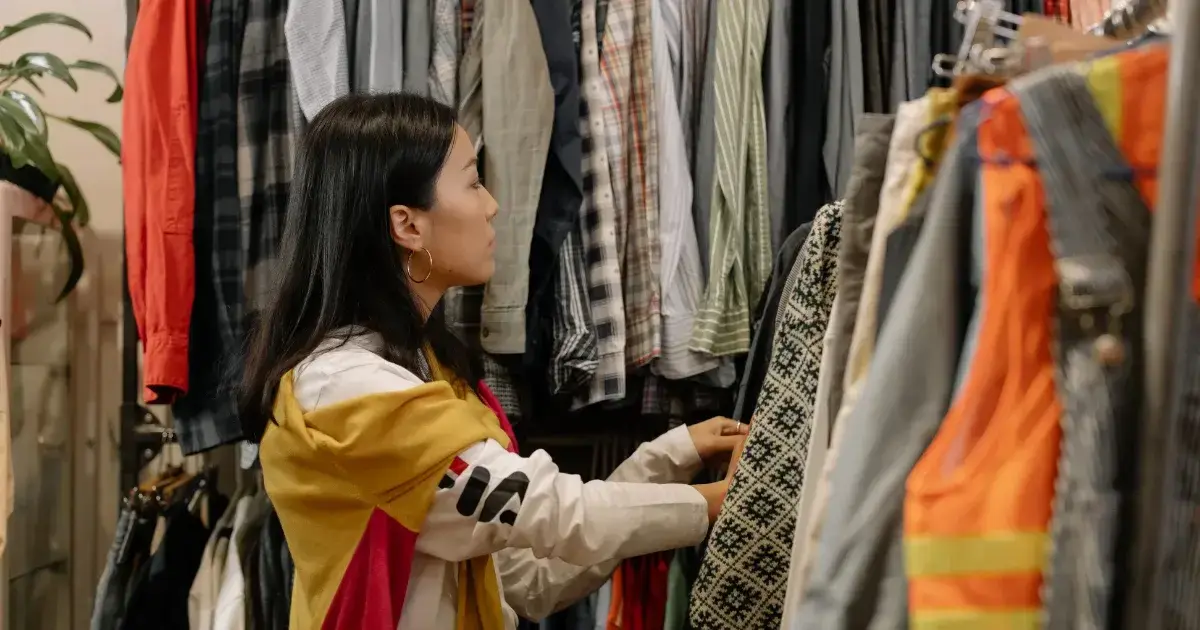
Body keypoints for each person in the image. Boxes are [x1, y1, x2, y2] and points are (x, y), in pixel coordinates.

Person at [239, 93, 748, 630]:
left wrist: (673, 455)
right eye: (472, 181)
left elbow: (530, 578)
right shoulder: (345, 389)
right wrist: (715, 501)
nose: (492, 205)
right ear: (407, 225)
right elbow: (547, 511)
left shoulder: (423, 369)